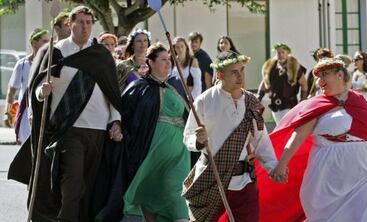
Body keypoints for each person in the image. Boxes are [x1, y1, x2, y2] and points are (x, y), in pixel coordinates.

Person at [8, 6, 122, 222]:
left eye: (89, 23)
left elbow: (112, 91)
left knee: (87, 184)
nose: (85, 27)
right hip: (66, 128)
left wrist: (115, 120)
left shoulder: (100, 55)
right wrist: (42, 92)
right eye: (80, 22)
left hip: (97, 129)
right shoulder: (56, 51)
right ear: (70, 24)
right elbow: (38, 87)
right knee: (73, 181)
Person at [260, 58, 367, 221]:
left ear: (340, 75)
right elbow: (299, 135)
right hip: (327, 174)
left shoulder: (359, 100)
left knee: (360, 216)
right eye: (318, 77)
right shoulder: (317, 104)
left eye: (325, 75)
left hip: (361, 172)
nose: (320, 81)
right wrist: (281, 165)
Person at [97, 42, 190, 222]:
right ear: (151, 62)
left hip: (179, 154)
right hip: (152, 154)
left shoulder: (175, 87)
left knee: (176, 193)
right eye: (163, 59)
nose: (168, 63)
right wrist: (117, 125)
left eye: (169, 59)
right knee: (150, 196)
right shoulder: (140, 87)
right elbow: (126, 114)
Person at [182, 50, 278, 222]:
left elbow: (261, 140)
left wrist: (273, 167)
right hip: (212, 177)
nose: (240, 76)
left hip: (244, 180)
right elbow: (188, 136)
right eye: (234, 72)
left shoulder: (251, 102)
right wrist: (197, 140)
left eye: (241, 70)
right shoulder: (204, 101)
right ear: (219, 75)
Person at [3, 28, 49, 144]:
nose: (48, 44)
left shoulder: (50, 64)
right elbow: (12, 91)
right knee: (26, 146)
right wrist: (7, 112)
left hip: (44, 112)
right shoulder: (22, 64)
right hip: (25, 113)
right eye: (44, 41)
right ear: (34, 43)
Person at [257, 43, 308, 125]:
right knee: (280, 126)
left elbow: (304, 84)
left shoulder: (294, 67)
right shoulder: (271, 67)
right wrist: (259, 97)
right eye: (278, 53)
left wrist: (303, 101)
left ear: (287, 53)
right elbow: (264, 82)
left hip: (289, 104)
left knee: (285, 127)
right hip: (275, 105)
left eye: (283, 52)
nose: (280, 55)